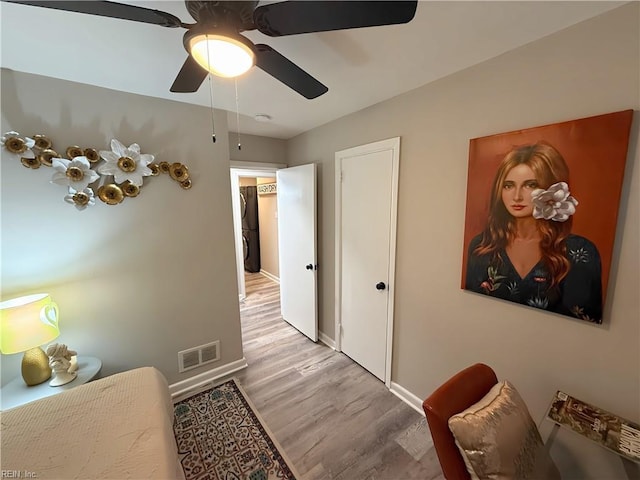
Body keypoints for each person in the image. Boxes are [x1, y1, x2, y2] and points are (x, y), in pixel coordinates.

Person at [465, 141, 603, 323]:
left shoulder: (579, 251)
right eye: (508, 185)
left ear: (552, 189)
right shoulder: (482, 246)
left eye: (530, 185)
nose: (517, 196)